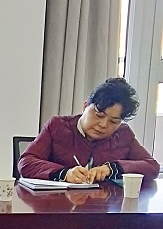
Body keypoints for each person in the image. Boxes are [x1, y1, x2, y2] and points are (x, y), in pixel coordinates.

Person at [18, 77, 160, 183]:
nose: (103, 125)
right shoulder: (58, 126)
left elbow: (152, 166)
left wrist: (112, 168)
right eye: (99, 115)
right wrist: (65, 173)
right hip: (59, 206)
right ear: (85, 106)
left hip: (102, 207)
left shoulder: (123, 134)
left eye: (114, 121)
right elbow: (26, 162)